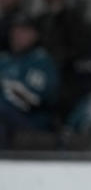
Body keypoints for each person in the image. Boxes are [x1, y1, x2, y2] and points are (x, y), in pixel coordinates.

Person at [0, 14, 60, 148]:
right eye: (15, 31)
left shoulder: (41, 61)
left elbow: (35, 100)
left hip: (30, 120)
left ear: (35, 35)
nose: (17, 35)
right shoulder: (3, 59)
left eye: (23, 31)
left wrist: (7, 87)